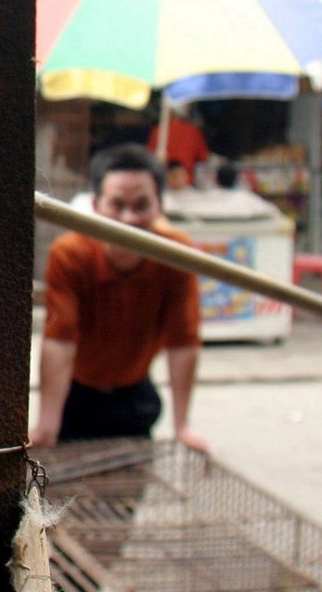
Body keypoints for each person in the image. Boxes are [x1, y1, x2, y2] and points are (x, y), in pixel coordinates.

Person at [31, 144, 211, 451]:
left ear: (160, 206)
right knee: (66, 491)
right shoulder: (71, 253)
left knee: (127, 491)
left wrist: (183, 426)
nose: (129, 219)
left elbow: (184, 341)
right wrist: (48, 421)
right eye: (117, 205)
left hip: (135, 396)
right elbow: (60, 339)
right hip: (76, 397)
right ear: (97, 205)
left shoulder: (177, 254)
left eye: (142, 205)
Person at [148, 107, 210, 184]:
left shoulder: (158, 131)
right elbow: (203, 158)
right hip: (186, 180)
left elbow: (150, 157)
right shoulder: (194, 131)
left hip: (165, 180)